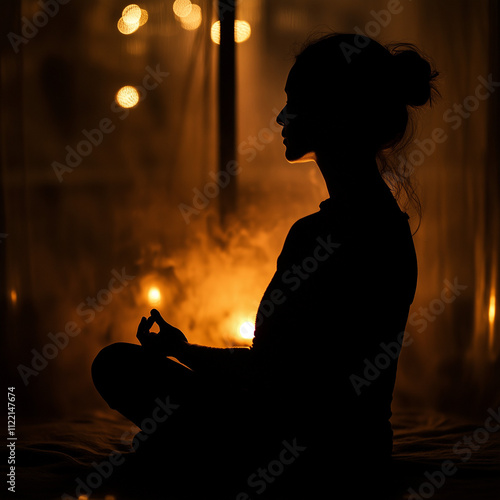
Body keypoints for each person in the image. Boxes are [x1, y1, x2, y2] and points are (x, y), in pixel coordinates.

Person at [92, 33, 438, 498]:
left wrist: (187, 359)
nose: (281, 116)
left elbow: (273, 383)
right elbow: (280, 374)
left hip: (293, 447)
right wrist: (183, 350)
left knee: (115, 364)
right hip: (357, 449)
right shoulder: (385, 228)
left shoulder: (325, 235)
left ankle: (196, 454)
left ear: (333, 114)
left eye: (294, 102)